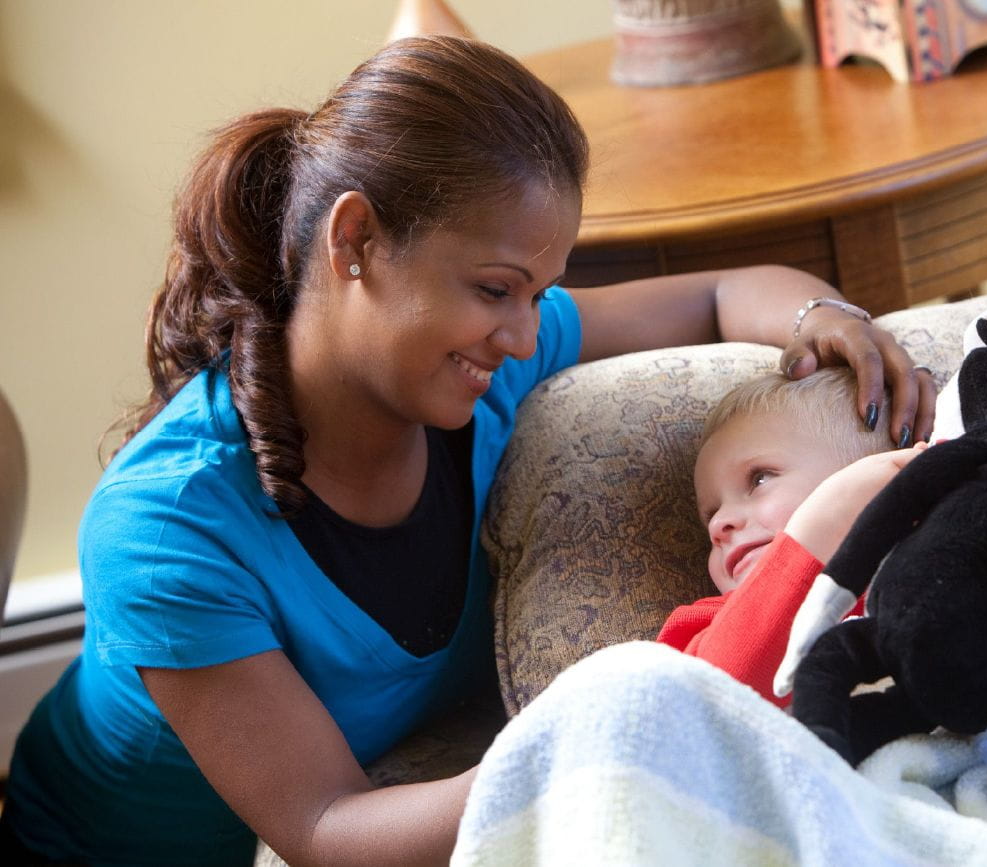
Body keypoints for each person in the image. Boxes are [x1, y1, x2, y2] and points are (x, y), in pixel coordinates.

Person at [0, 36, 936, 867]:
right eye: (497, 289)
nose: (528, 336)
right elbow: (326, 826)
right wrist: (613, 736)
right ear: (356, 239)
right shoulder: (166, 527)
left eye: (540, 293)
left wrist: (836, 324)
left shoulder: (475, 381)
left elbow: (729, 289)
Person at [657, 367, 987, 722]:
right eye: (710, 514)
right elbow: (710, 708)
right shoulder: (708, 624)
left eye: (759, 478)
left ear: (896, 476)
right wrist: (813, 534)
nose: (722, 521)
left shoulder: (972, 584)